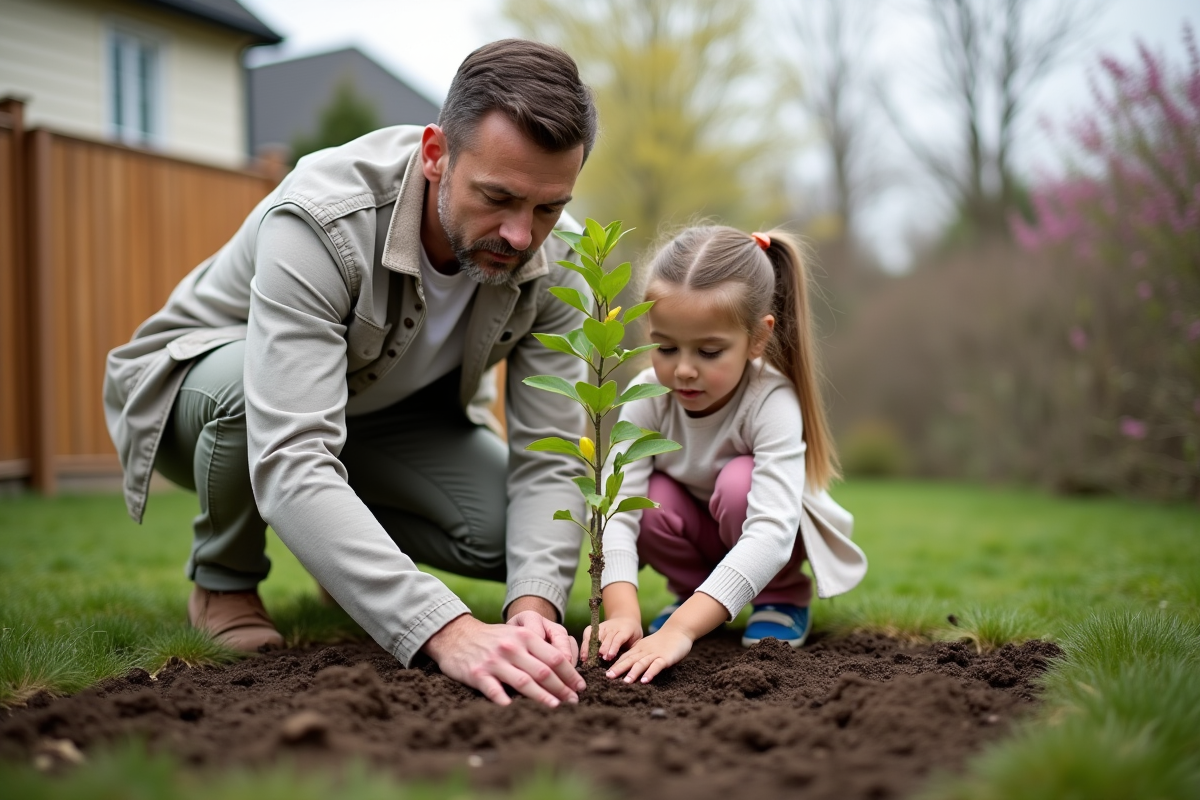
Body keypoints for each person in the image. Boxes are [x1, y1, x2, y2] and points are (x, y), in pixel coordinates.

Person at [103, 40, 598, 707]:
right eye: (498, 197)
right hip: (205, 393)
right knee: (243, 401)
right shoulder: (320, 218)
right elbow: (291, 452)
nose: (519, 235)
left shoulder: (561, 266)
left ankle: (345, 558)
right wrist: (448, 632)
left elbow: (551, 458)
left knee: (502, 542)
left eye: (547, 208)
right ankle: (224, 580)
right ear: (435, 154)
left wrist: (532, 613)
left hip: (382, 415)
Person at [584, 226, 868, 683]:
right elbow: (616, 510)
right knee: (644, 497)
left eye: (710, 351)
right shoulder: (645, 396)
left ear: (757, 339)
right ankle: (699, 599)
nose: (684, 370)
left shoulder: (770, 401)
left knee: (740, 481)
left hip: (760, 538)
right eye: (666, 347)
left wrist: (677, 631)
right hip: (697, 537)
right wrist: (621, 610)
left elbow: (771, 531)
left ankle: (781, 598)